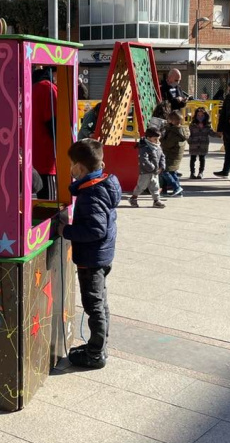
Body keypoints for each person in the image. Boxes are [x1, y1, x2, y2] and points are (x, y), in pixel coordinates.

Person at [57, 138, 121, 369]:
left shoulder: (91, 194)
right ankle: (99, 346)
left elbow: (95, 229)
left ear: (79, 168)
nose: (70, 168)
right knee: (100, 303)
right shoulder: (101, 185)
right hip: (100, 256)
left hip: (92, 259)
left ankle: (95, 353)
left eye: (71, 164)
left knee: (94, 305)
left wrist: (66, 230)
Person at [32, 67, 59, 199]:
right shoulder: (48, 89)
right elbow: (54, 122)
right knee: (49, 200)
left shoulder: (26, 88)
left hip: (27, 150)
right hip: (46, 151)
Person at [129, 127, 166, 209]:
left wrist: (161, 166)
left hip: (155, 172)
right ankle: (133, 198)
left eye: (158, 139)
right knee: (141, 186)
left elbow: (162, 156)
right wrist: (152, 167)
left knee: (155, 186)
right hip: (145, 171)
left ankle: (156, 200)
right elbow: (144, 159)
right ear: (149, 138)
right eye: (155, 139)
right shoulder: (144, 147)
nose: (157, 141)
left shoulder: (157, 146)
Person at [160, 110, 187, 197]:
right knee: (172, 172)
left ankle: (176, 187)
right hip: (176, 155)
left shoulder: (174, 132)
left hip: (170, 155)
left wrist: (161, 139)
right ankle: (179, 192)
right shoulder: (183, 130)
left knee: (164, 171)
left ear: (173, 120)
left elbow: (167, 144)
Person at [188, 107, 212, 179]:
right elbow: (188, 134)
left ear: (205, 116)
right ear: (196, 115)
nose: (200, 117)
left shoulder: (207, 125)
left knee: (202, 158)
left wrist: (219, 134)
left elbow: (211, 133)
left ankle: (200, 172)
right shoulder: (192, 125)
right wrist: (189, 141)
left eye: (202, 116)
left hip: (203, 144)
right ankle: (192, 173)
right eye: (198, 115)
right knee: (193, 159)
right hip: (194, 144)